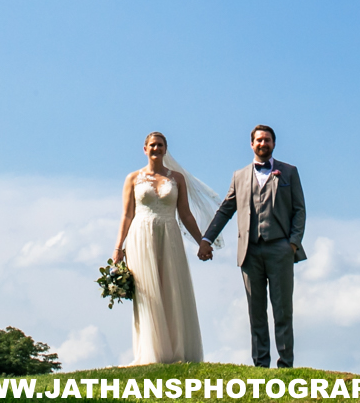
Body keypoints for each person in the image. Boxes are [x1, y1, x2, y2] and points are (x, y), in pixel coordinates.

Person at [201, 124, 306, 368]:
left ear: (274, 144)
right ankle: (260, 365)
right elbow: (226, 210)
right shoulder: (239, 176)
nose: (263, 144)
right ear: (252, 144)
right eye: (259, 140)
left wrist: (292, 243)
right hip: (249, 252)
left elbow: (300, 210)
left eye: (267, 140)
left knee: (283, 310)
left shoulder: (289, 172)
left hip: (280, 249)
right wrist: (207, 239)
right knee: (255, 311)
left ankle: (286, 365)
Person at [113, 131, 217, 365]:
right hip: (141, 236)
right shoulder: (132, 178)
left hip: (170, 234)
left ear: (165, 149)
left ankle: (176, 350)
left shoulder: (177, 178)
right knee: (148, 291)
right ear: (144, 149)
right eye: (152, 145)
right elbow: (127, 214)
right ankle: (151, 352)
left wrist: (202, 240)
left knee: (172, 288)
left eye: (160, 145)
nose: (156, 149)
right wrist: (118, 247)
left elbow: (186, 214)